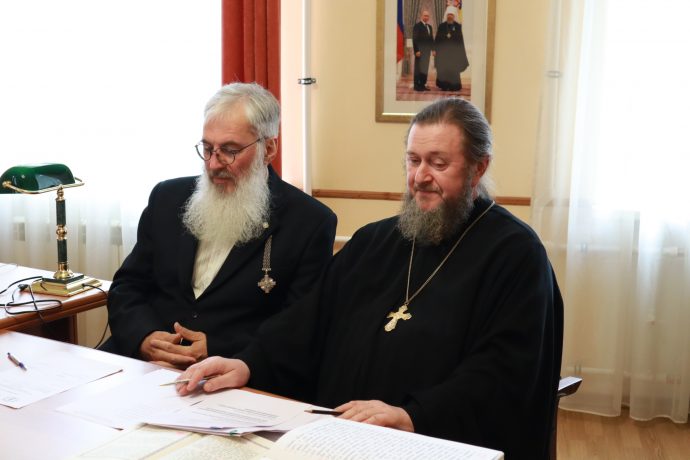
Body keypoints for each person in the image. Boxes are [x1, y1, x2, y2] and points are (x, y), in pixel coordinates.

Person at [176, 97, 563, 459]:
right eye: (413, 160)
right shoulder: (374, 241)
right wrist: (248, 363)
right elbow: (307, 323)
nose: (420, 177)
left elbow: (504, 373)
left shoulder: (515, 255)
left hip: (428, 444)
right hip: (335, 439)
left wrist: (412, 416)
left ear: (478, 168)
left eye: (438, 163)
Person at [103, 82, 337, 369]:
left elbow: (298, 324)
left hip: (231, 369)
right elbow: (127, 286)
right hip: (142, 361)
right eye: (207, 148)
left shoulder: (309, 222)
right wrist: (144, 337)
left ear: (269, 148)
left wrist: (217, 346)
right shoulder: (167, 198)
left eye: (229, 150)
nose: (214, 164)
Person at [435, 7, 469, 91]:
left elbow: (460, 40)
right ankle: (444, 85)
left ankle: (454, 86)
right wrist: (434, 49)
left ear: (454, 16)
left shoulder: (457, 26)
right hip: (443, 53)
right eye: (448, 15)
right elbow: (437, 39)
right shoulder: (442, 26)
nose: (450, 16)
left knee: (453, 70)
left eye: (451, 15)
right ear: (446, 15)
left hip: (454, 54)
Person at [412, 10, 435, 92]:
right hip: (420, 52)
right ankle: (417, 86)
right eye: (425, 15)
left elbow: (431, 39)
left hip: (427, 52)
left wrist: (433, 49)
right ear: (421, 16)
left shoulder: (430, 27)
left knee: (424, 69)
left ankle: (423, 85)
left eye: (427, 16)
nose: (426, 17)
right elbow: (415, 39)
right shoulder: (417, 26)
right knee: (418, 68)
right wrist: (416, 50)